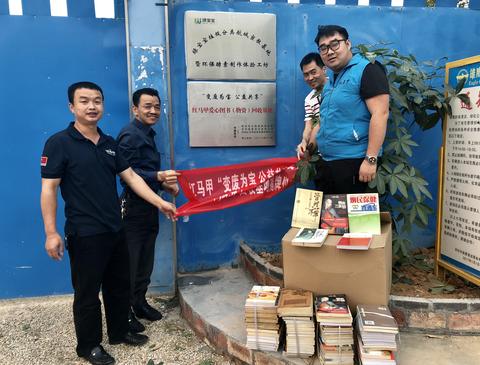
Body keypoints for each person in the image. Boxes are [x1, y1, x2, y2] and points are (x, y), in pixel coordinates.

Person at [40, 81, 177, 365]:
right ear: (72, 107)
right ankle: (89, 345)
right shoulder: (59, 143)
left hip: (116, 229)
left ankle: (119, 331)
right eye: (85, 101)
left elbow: (133, 178)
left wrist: (160, 202)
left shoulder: (110, 144)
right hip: (85, 233)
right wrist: (51, 232)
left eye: (97, 101)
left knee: (118, 286)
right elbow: (49, 189)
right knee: (88, 293)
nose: (92, 107)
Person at [116, 88, 180, 333]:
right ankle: (125, 313)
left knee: (145, 261)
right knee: (131, 263)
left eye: (157, 106)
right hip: (133, 210)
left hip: (150, 207)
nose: (153, 111)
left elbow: (144, 173)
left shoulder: (148, 134)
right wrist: (158, 175)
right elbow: (127, 175)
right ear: (135, 109)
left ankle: (139, 302)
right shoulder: (129, 135)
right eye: (147, 106)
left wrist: (164, 184)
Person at [311, 25, 389, 194]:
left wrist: (370, 159)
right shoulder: (330, 79)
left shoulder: (368, 70)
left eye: (335, 44)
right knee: (330, 219)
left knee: (354, 221)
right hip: (327, 163)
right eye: (323, 48)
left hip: (355, 163)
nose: (329, 51)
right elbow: (325, 118)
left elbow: (381, 114)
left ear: (348, 43)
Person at [296, 52, 327, 159]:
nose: (310, 78)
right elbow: (309, 126)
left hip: (341, 153)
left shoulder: (336, 89)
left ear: (324, 69)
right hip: (319, 157)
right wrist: (304, 142)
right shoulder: (309, 99)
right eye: (306, 74)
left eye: (313, 72)